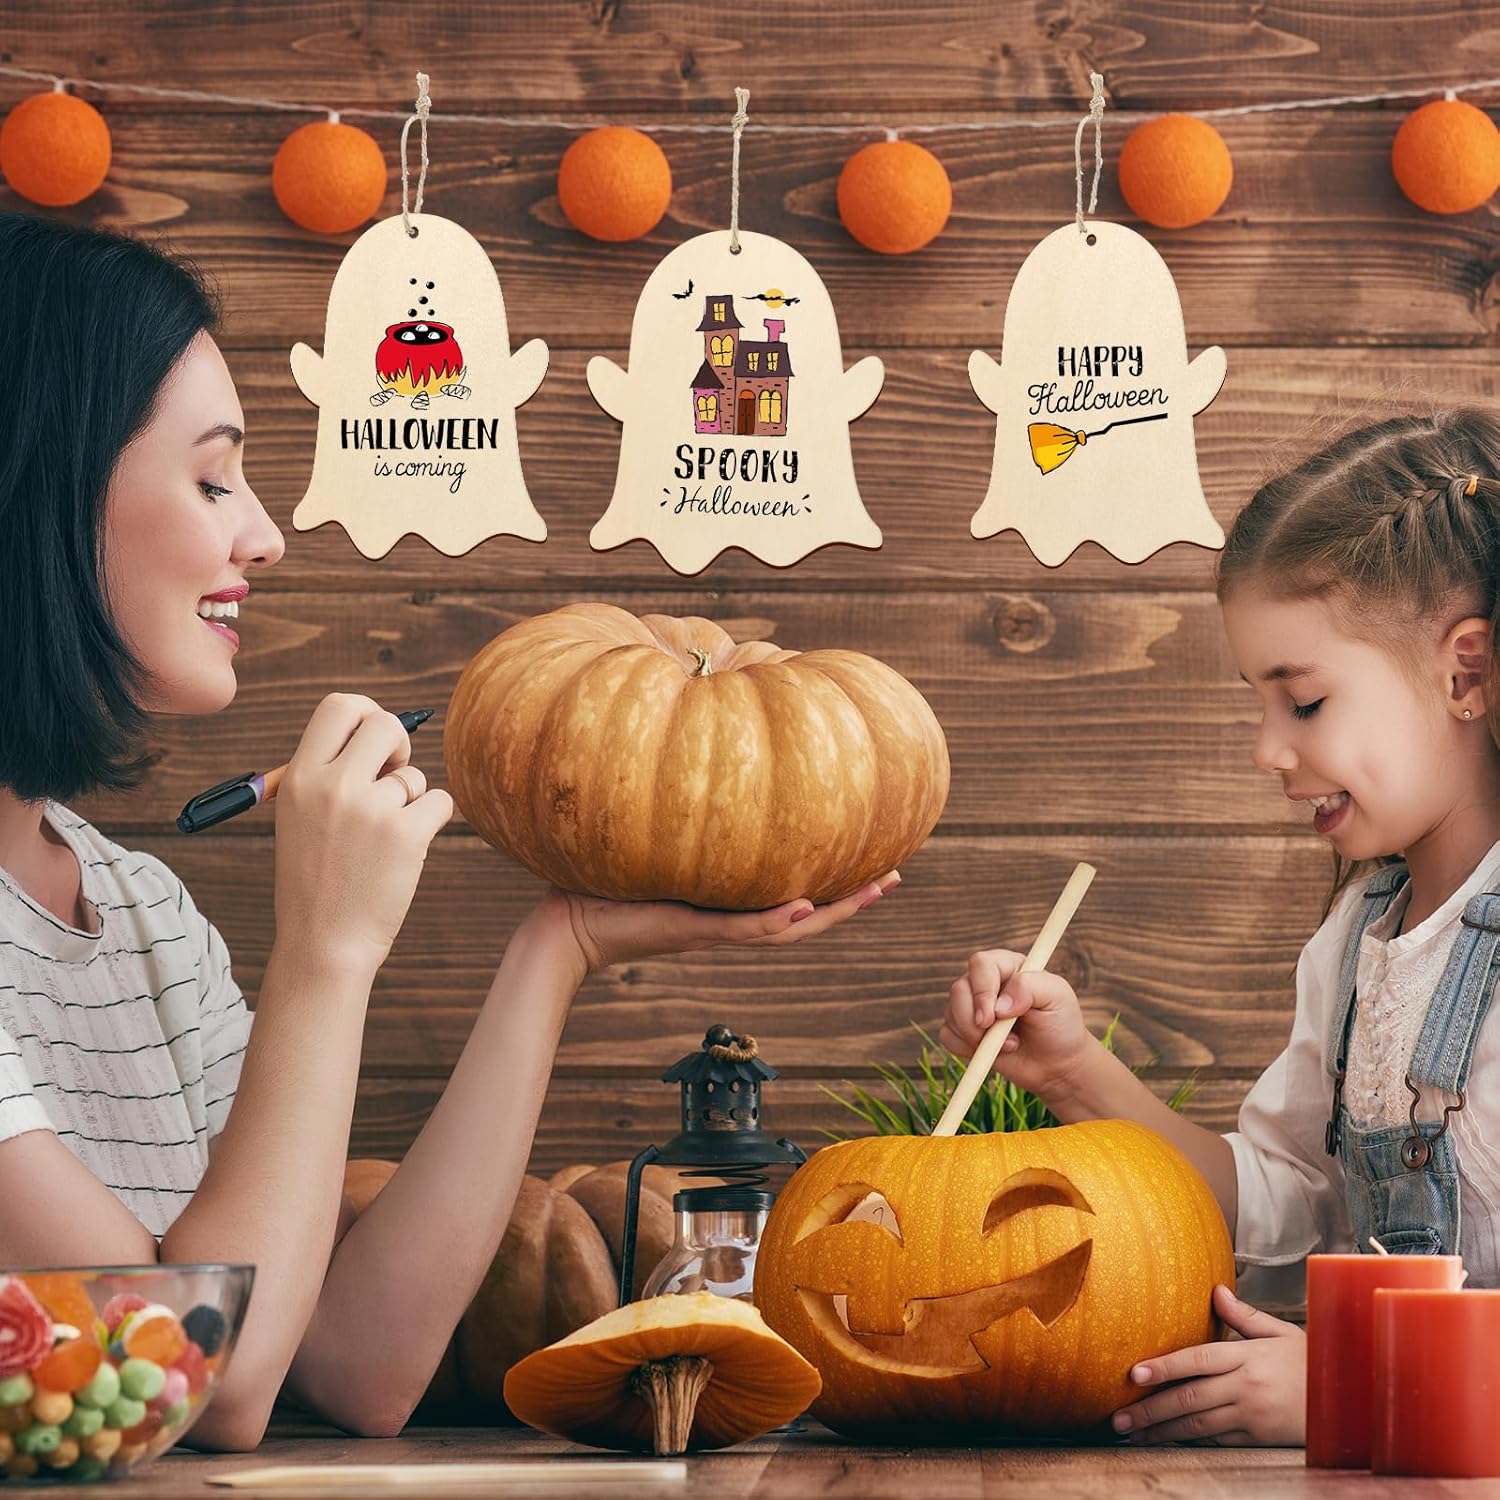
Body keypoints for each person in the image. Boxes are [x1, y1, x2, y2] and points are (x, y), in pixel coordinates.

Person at [0, 212, 899, 1450]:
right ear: (34, 492)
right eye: (212, 479)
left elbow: (351, 1363)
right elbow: (196, 1378)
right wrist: (325, 948)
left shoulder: (140, 913)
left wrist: (561, 947)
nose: (261, 533)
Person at [942, 409, 1500, 1447]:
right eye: (1257, 703)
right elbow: (1278, 1210)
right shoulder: (1354, 944)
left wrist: (1358, 1384)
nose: (1265, 751)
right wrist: (1075, 1075)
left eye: (1303, 702)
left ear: (1463, 673)